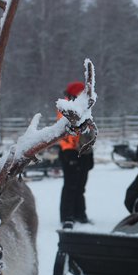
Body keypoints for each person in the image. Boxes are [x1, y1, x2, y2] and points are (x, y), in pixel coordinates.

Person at [58, 81, 94, 228]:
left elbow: (90, 131)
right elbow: (65, 133)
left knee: (80, 186)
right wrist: (69, 152)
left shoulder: (85, 107)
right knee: (70, 186)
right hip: (71, 152)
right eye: (81, 93)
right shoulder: (66, 108)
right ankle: (67, 216)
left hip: (84, 151)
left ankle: (80, 213)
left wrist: (89, 152)